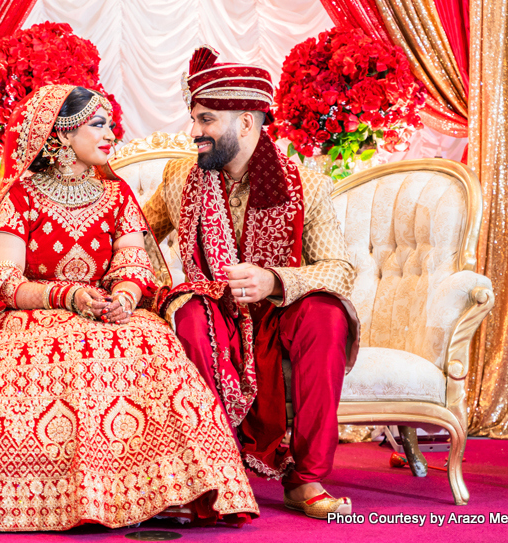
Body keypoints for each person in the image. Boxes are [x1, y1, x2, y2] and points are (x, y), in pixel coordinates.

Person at [0, 84, 259, 531]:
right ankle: (6, 497)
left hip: (105, 311)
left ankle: (168, 491)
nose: (110, 135)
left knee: (152, 338)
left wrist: (123, 297)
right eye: (98, 125)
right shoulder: (20, 195)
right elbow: (2, 279)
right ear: (60, 135)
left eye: (111, 125)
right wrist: (65, 296)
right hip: (31, 313)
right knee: (55, 353)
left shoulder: (116, 194)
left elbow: (134, 263)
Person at [142, 46, 360, 520]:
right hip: (215, 306)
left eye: (205, 120)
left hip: (279, 310)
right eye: (195, 119)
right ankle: (211, 474)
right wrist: (157, 289)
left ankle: (306, 479)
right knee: (191, 317)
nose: (194, 132)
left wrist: (273, 280)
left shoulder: (307, 184)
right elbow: (137, 233)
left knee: (327, 314)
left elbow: (340, 269)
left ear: (245, 123)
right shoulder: (181, 177)